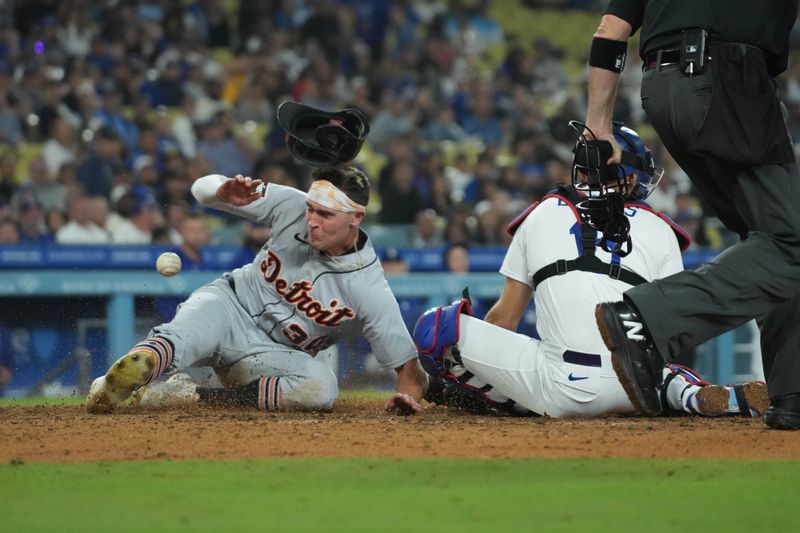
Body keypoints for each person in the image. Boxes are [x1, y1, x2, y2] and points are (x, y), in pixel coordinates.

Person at [413, 125, 767, 419]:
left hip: (563, 385)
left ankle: (496, 400)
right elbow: (672, 332)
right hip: (638, 388)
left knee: (436, 327)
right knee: (661, 366)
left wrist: (489, 370)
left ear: (579, 170)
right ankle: (683, 393)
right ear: (628, 181)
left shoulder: (540, 213)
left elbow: (504, 319)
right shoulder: (661, 228)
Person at [583, 1, 800, 429]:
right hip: (729, 80)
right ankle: (645, 317)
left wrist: (599, 130)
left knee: (774, 236)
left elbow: (610, 31)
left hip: (662, 91)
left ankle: (792, 395)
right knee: (791, 240)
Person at [87, 166, 427, 415]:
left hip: (272, 356)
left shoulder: (370, 289)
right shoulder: (291, 205)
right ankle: (128, 374)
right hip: (229, 304)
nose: (311, 220)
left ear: (356, 217)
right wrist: (222, 192)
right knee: (183, 337)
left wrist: (406, 400)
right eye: (311, 209)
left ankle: (193, 398)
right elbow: (200, 188)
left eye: (324, 214)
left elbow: (410, 374)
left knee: (322, 389)